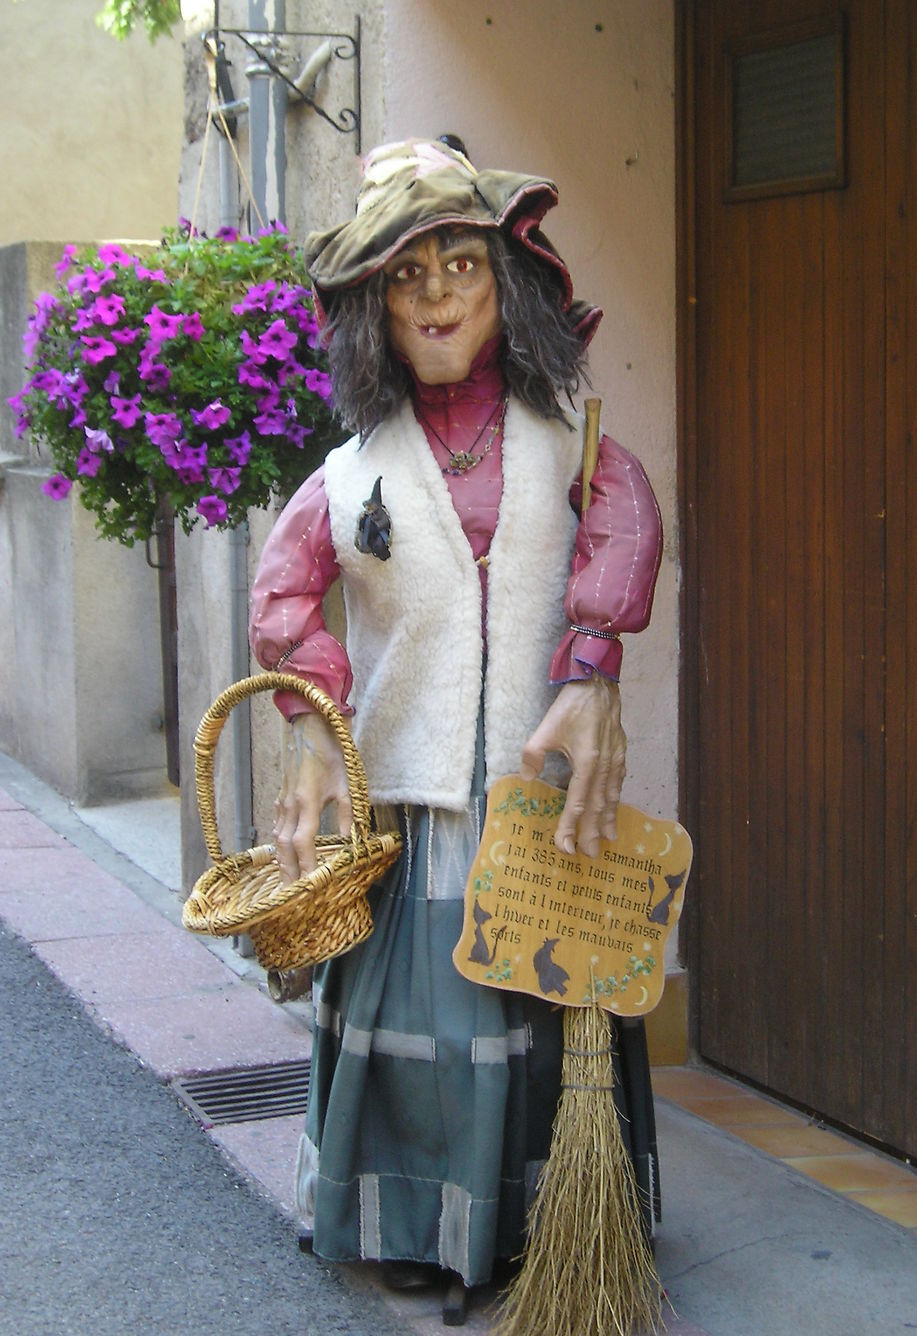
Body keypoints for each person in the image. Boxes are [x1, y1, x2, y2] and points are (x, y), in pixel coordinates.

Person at [249, 138, 663, 1325]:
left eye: (461, 265)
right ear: (369, 309)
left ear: (508, 283)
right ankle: (410, 1222)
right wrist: (313, 722)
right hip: (416, 803)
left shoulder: (567, 436)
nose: (434, 294)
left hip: (537, 804)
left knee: (541, 1031)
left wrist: (592, 668)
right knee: (422, 1030)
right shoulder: (345, 473)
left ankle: (544, 1225)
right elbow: (284, 598)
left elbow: (621, 528)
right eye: (403, 274)